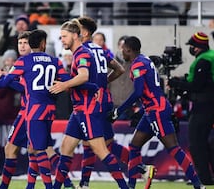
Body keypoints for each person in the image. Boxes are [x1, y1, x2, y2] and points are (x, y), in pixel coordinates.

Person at [109, 36, 206, 189]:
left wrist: (119, 110)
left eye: (123, 50)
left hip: (157, 111)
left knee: (173, 148)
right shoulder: (145, 60)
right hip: (151, 110)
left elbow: (138, 92)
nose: (122, 53)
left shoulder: (138, 64)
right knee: (134, 146)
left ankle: (198, 185)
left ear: (128, 49)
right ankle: (131, 185)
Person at [0, 31, 75, 189]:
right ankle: (58, 183)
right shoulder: (31, 62)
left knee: (31, 149)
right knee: (38, 149)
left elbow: (23, 87)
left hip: (29, 112)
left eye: (25, 43)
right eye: (19, 43)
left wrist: (1, 79)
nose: (22, 46)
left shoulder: (26, 62)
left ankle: (7, 187)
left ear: (32, 44)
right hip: (39, 110)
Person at [49, 21, 128, 189]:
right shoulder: (82, 52)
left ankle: (125, 186)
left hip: (88, 109)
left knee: (101, 150)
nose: (61, 39)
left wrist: (65, 85)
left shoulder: (82, 54)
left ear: (76, 35)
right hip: (79, 110)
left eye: (64, 36)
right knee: (65, 148)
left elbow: (84, 76)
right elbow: (92, 79)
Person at [168, 32, 214, 185]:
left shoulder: (204, 61)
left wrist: (177, 84)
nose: (191, 49)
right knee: (206, 143)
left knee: (196, 143)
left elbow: (197, 86)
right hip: (208, 105)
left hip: (203, 106)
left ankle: (204, 178)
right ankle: (209, 176)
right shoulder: (210, 56)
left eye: (192, 46)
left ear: (197, 47)